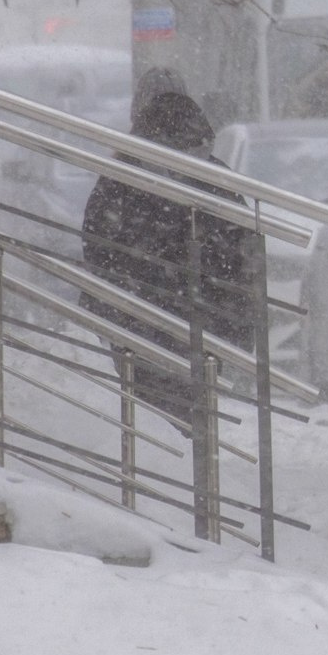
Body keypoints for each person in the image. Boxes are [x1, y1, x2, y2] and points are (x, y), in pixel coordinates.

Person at [80, 90, 260, 424]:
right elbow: (243, 257)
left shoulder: (121, 177)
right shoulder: (214, 179)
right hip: (182, 320)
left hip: (157, 319)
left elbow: (97, 246)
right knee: (182, 421)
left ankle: (172, 464)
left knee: (151, 419)